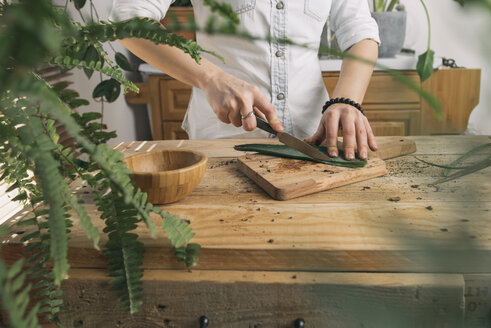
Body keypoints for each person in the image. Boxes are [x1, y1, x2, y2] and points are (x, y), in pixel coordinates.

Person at [110, 0, 380, 160]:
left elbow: (360, 32)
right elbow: (126, 20)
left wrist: (347, 101)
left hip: (314, 141)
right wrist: (211, 77)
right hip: (222, 142)